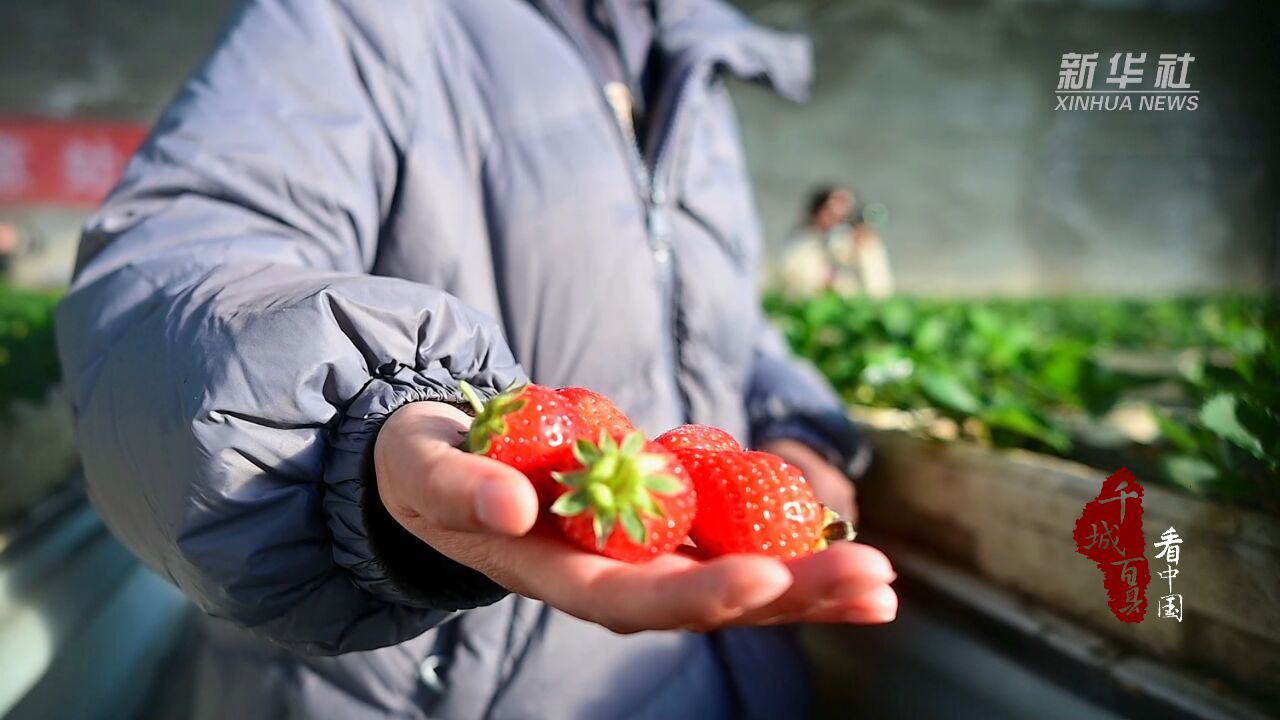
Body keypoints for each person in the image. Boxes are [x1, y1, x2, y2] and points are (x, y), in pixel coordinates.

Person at [55, 1, 897, 718]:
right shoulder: (361, 22)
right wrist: (366, 432)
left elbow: (726, 325)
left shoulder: (690, 56)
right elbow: (161, 286)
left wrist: (794, 430)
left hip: (717, 678)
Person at [777, 185, 894, 299]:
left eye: (846, 215)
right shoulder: (800, 242)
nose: (838, 219)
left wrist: (865, 247)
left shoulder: (848, 242)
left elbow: (879, 287)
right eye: (831, 213)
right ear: (816, 212)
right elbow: (793, 279)